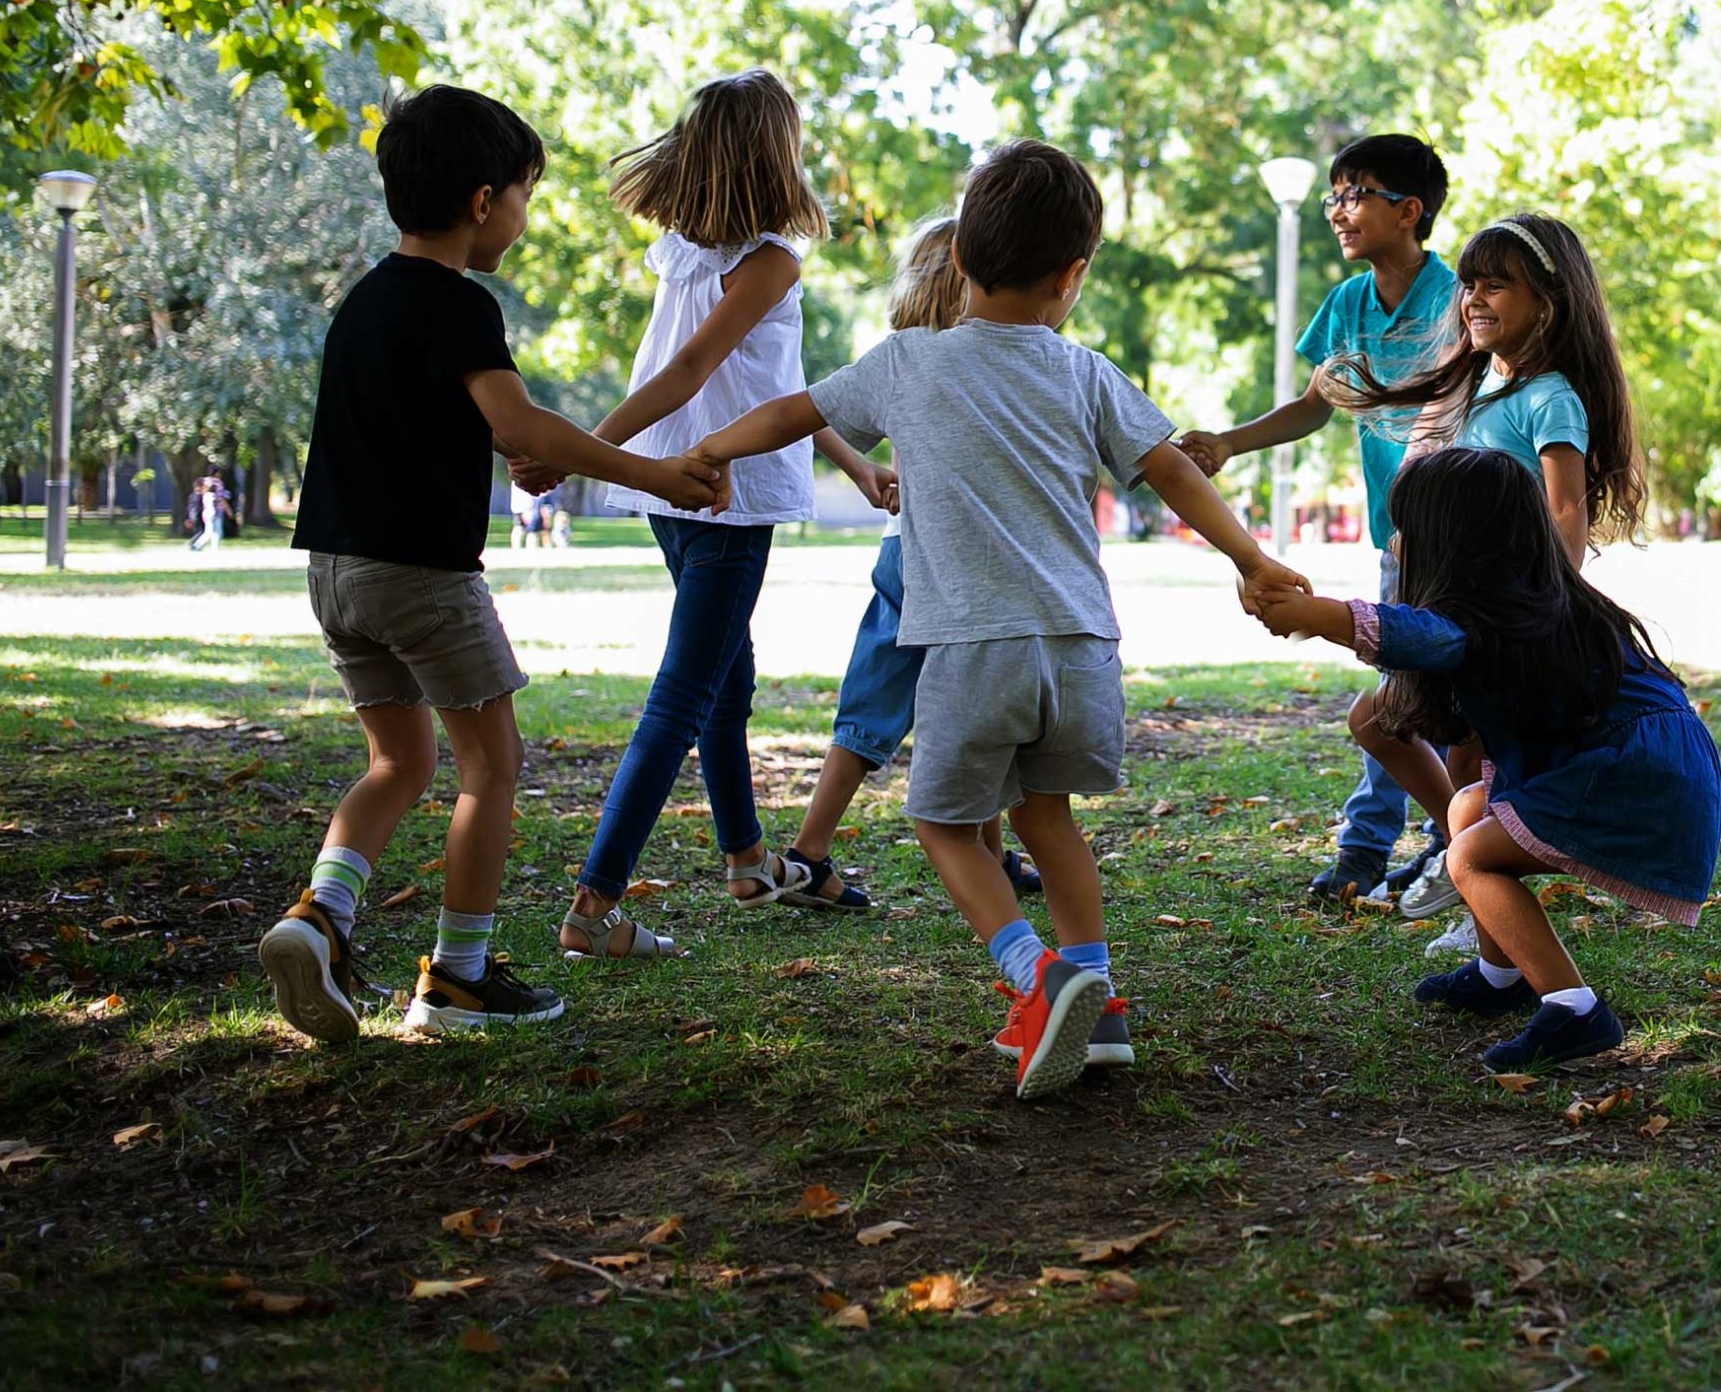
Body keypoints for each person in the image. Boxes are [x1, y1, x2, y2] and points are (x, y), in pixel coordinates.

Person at [691, 138, 1307, 1098]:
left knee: (940, 818)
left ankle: (1036, 973)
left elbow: (793, 411)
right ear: (1073, 275)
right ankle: (1098, 1007)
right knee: (1048, 818)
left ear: (958, 263)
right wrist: (1253, 557)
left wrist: (715, 448)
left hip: (975, 648)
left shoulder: (907, 362)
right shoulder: (1083, 371)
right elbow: (1173, 467)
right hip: (1082, 649)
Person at [256, 84, 724, 1043]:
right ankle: (459, 975)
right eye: (522, 193)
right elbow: (518, 425)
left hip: (335, 573)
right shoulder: (460, 304)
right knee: (491, 766)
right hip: (421, 577)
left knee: (397, 760)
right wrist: (654, 473)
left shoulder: (362, 303)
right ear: (482, 202)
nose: (522, 212)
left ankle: (322, 916)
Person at [531, 70, 893, 961]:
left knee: (727, 681)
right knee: (687, 693)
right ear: (779, 151)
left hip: (674, 484)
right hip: (721, 492)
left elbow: (771, 384)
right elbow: (693, 368)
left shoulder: (686, 252)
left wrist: (851, 456)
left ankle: (744, 857)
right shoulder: (767, 257)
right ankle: (595, 901)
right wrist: (577, 448)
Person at [1248, 447, 1720, 1070]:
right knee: (1468, 809)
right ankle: (1501, 976)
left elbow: (1420, 633)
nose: (1395, 544)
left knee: (1469, 856)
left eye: (1406, 530)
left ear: (1452, 544)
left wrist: (1318, 615)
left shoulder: (1491, 619)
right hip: (1637, 770)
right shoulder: (1531, 602)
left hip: (1635, 779)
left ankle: (1575, 1009)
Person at [1338, 212, 1647, 935]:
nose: (1473, 297)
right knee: (1380, 722)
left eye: (1496, 285)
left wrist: (1553, 606)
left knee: (1467, 752)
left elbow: (1566, 506)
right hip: (1452, 605)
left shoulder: (1550, 397)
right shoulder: (1471, 384)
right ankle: (1462, 855)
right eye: (1468, 284)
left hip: (1506, 616)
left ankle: (1476, 887)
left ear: (1548, 298)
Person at [1176, 133, 1457, 904]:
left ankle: (1383, 848)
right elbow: (1313, 405)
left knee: (1408, 695)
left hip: (1456, 540)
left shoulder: (1457, 299)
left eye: (1354, 193)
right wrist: (1229, 442)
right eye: (1333, 195)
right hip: (1394, 541)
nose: (1338, 210)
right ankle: (1433, 840)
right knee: (1404, 692)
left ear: (1409, 211)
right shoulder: (1346, 305)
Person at [776, 217, 1044, 917]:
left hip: (909, 549)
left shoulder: (906, 355)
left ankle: (819, 850)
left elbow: (814, 407)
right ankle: (810, 853)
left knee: (899, 703)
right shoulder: (985, 356)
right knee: (957, 700)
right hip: (955, 560)